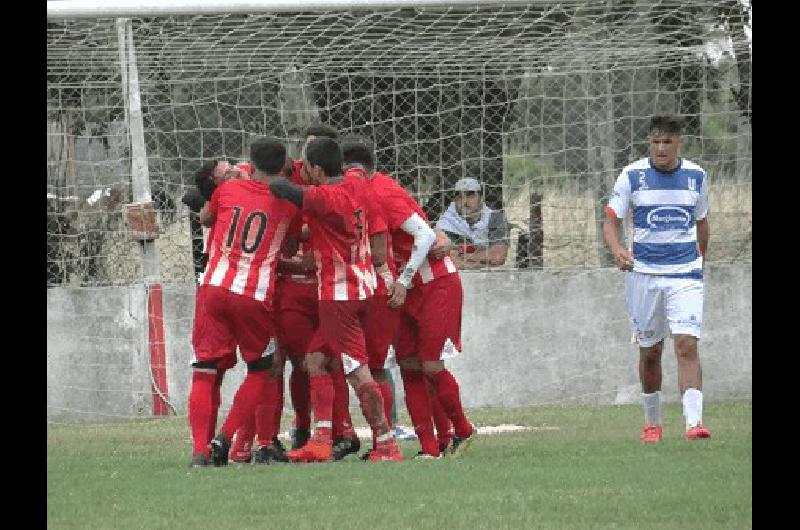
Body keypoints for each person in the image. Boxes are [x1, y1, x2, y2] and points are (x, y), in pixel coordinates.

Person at [269, 136, 404, 462]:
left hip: (339, 296)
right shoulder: (357, 184)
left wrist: (265, 172)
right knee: (315, 360)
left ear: (316, 169)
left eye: (307, 166)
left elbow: (286, 190)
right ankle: (322, 438)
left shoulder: (324, 196)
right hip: (363, 288)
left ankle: (386, 443)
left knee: (358, 371)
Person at [340, 137, 474, 459]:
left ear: (352, 170)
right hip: (406, 290)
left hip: (434, 284)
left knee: (430, 365)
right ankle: (432, 448)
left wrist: (403, 278)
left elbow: (426, 235)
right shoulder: (360, 194)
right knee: (410, 368)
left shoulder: (381, 191)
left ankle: (462, 430)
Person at [191, 137, 302, 467]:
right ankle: (224, 437)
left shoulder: (228, 190)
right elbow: (291, 244)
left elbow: (206, 218)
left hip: (213, 287)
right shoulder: (291, 205)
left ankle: (200, 451)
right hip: (253, 296)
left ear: (250, 166)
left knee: (205, 368)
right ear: (284, 168)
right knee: (261, 368)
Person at [602, 115, 711, 443]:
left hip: (684, 274)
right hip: (644, 276)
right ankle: (652, 423)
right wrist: (618, 248)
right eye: (655, 142)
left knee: (686, 344)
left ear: (679, 142)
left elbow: (702, 223)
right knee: (650, 352)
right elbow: (610, 220)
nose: (661, 148)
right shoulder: (632, 176)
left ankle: (694, 423)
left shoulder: (696, 176)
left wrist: (697, 262)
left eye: (667, 142)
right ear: (649, 143)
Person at [435, 177, 509, 269]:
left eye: (470, 195)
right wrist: (483, 258)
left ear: (481, 198)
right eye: (460, 197)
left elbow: (497, 256)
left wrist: (465, 257)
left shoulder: (494, 218)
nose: (464, 202)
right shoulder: (447, 221)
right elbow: (446, 258)